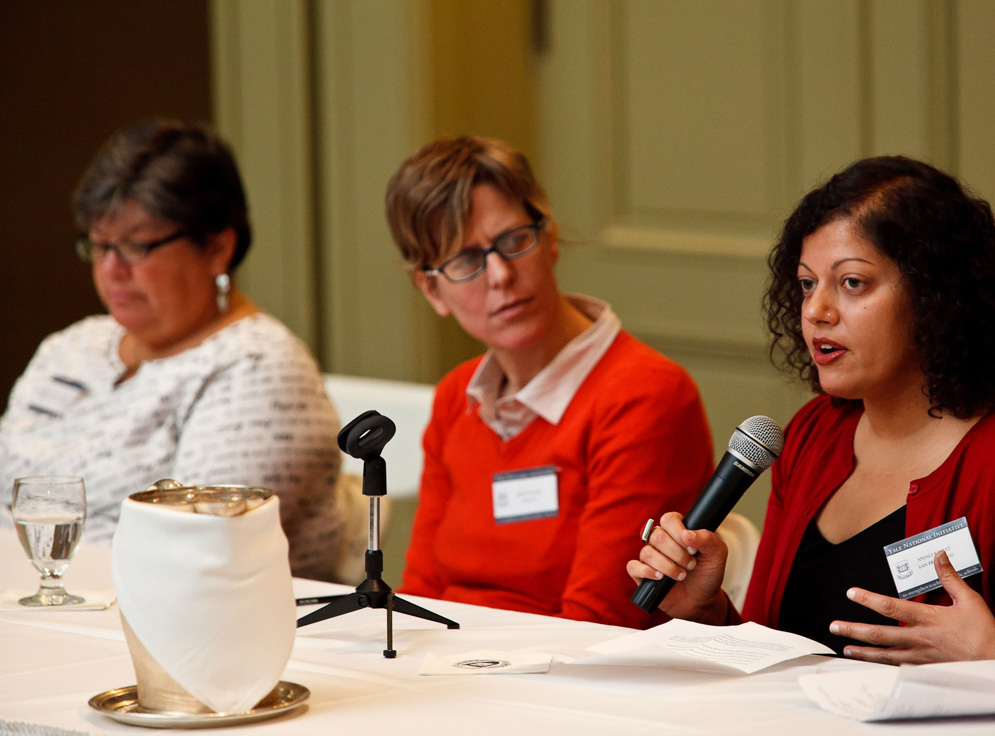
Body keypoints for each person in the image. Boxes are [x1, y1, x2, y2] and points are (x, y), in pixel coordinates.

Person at [629, 155, 995, 685]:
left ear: (935, 297)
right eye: (808, 284)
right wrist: (708, 611)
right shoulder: (814, 435)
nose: (816, 312)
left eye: (852, 283)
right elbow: (778, 656)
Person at [385, 136, 714, 628]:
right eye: (466, 261)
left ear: (551, 236)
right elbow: (420, 599)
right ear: (432, 289)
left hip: (564, 684)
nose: (500, 275)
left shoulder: (645, 395)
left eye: (514, 240)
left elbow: (599, 623)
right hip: (449, 676)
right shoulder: (457, 397)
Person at [0, 120, 342, 580]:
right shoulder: (72, 347)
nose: (111, 270)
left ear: (218, 247)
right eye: (99, 245)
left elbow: (193, 554)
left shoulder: (258, 366)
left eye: (136, 246)